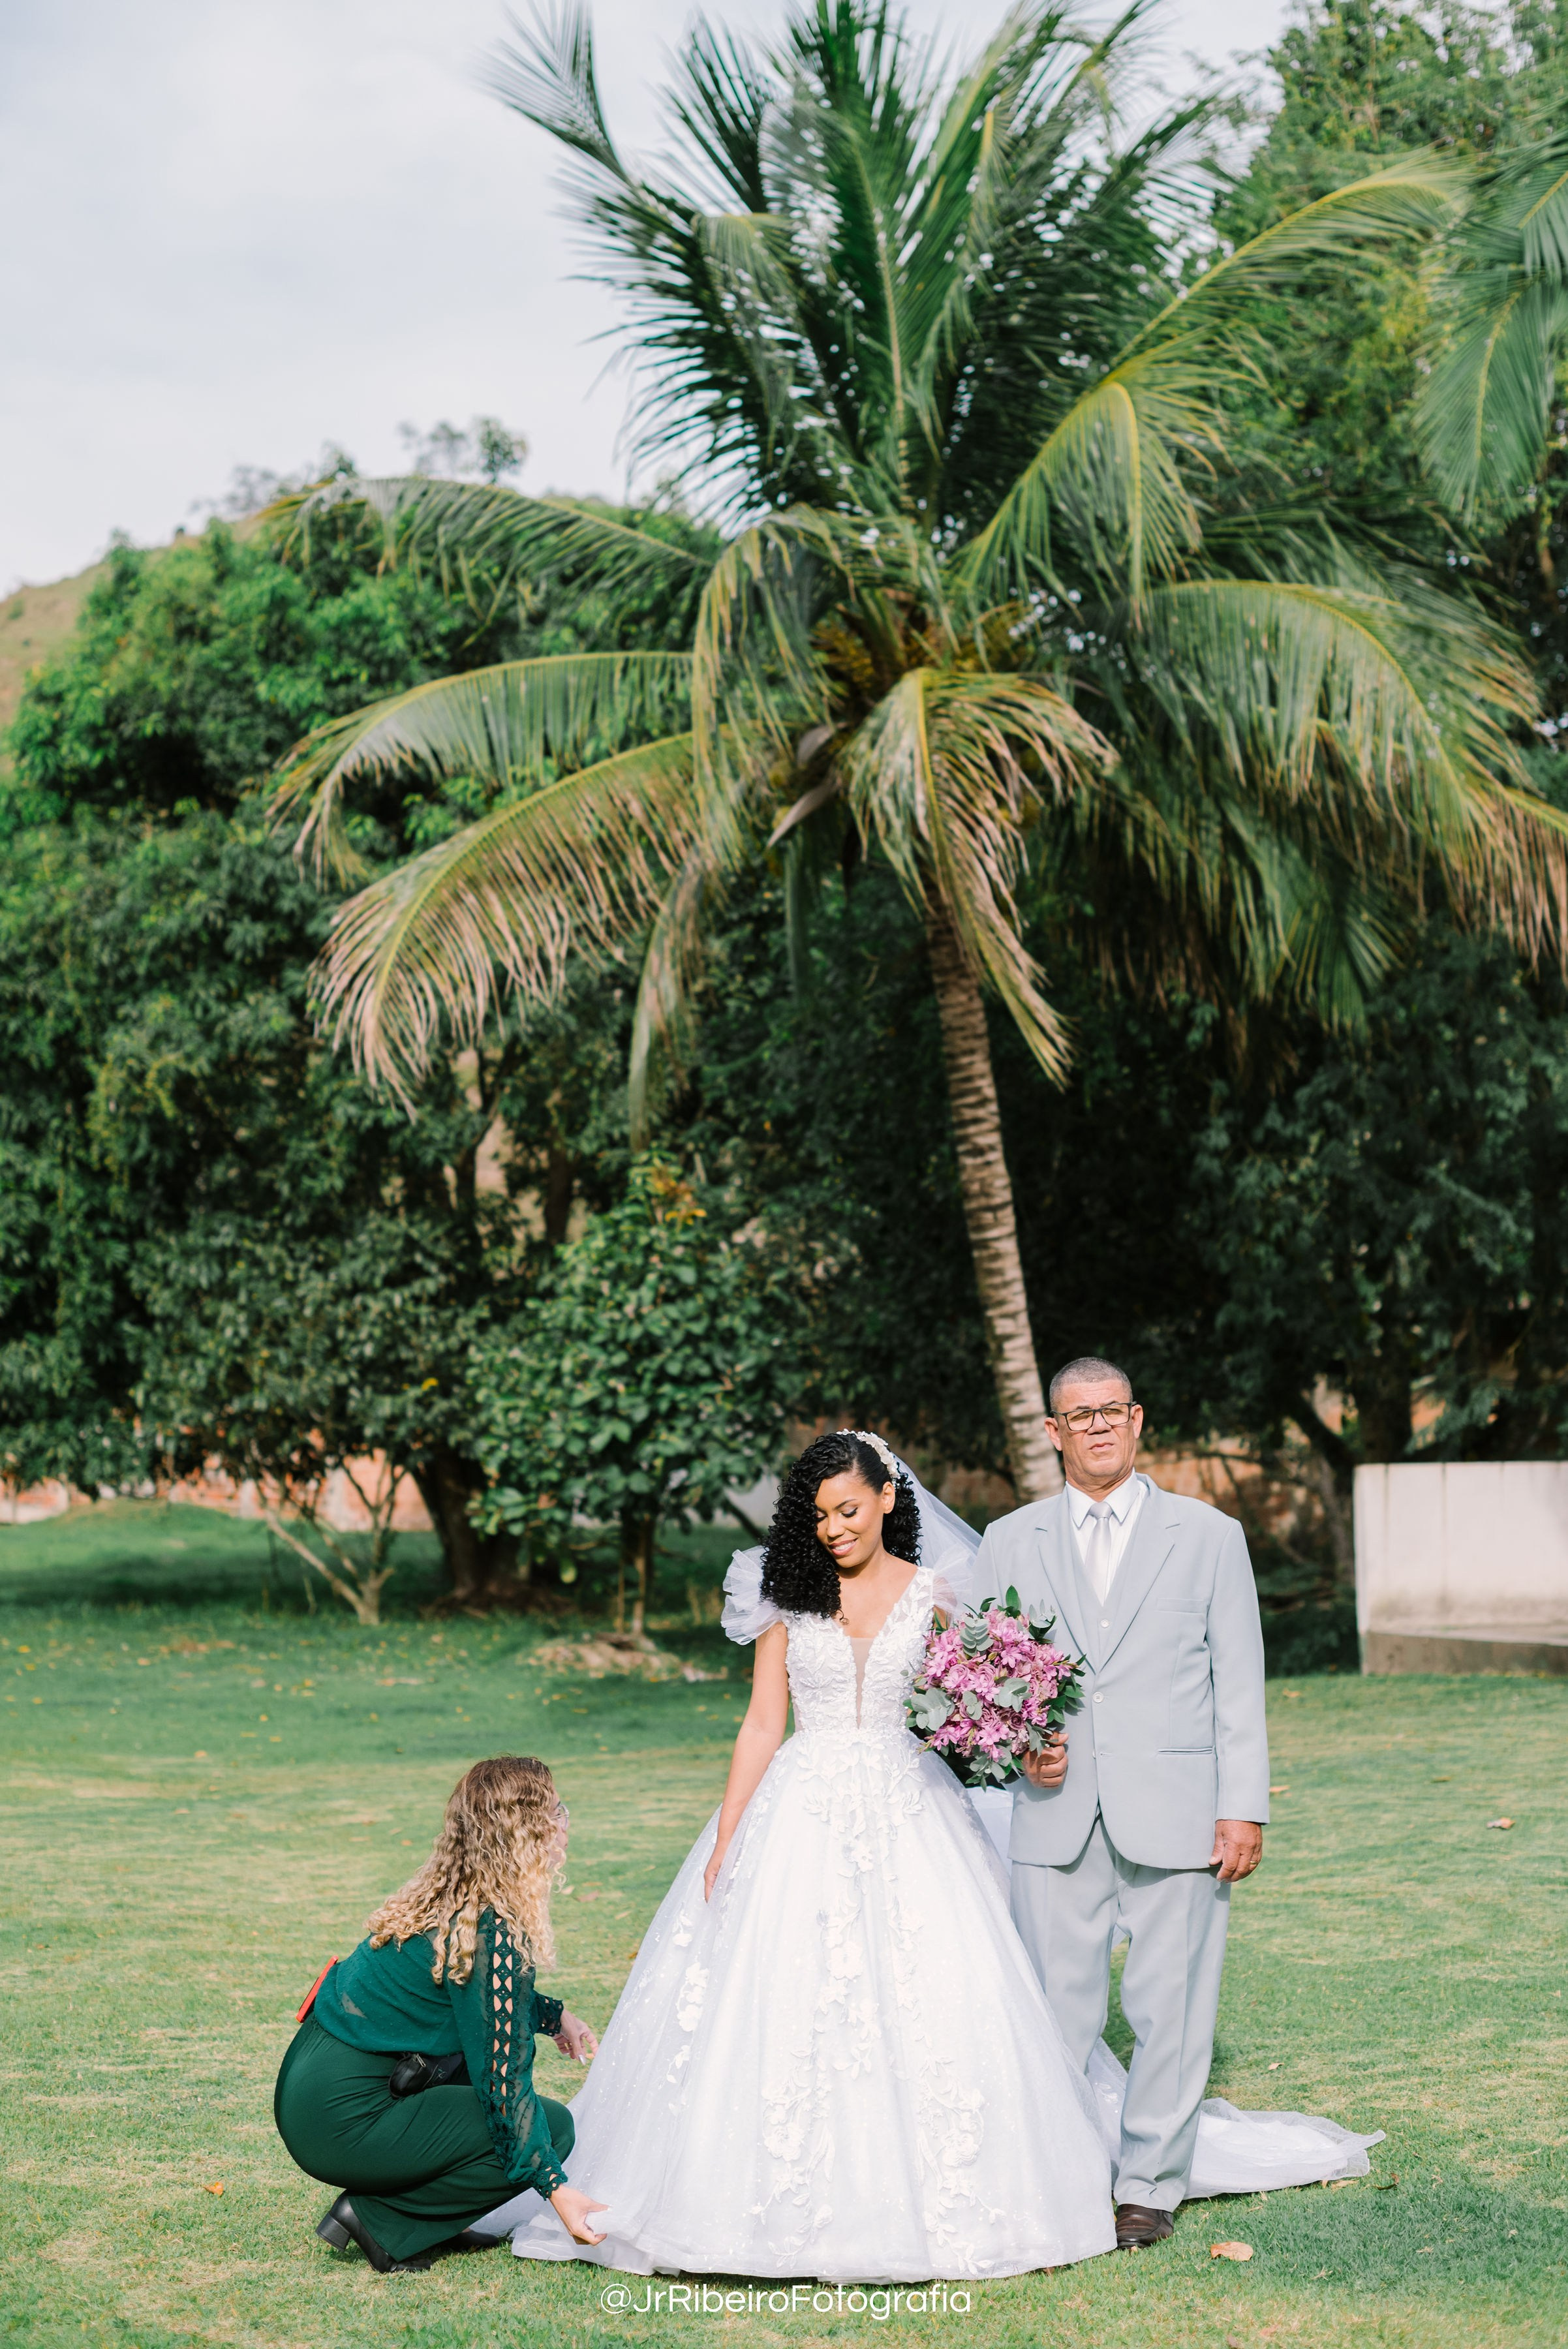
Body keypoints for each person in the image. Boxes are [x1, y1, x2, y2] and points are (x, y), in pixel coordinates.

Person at [493, 1428, 1120, 2280]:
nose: (832, 1529)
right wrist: (726, 1837)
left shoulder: (939, 1593)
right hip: (800, 1806)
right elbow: (761, 1722)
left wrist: (1021, 1741)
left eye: (848, 1510)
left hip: (911, 1808)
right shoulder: (783, 1595)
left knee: (929, 1995)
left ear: (889, 1499)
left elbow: (968, 1710)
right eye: (819, 1515)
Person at [970, 1355, 1271, 2247]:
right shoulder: (1007, 1540)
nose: (1096, 1426)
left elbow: (1238, 1683)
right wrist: (1024, 1748)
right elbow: (987, 1684)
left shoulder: (1209, 1537)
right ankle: (1059, 2176)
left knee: (1168, 2011)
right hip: (1054, 1815)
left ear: (1136, 1421)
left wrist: (1242, 1806)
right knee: (1051, 2015)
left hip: (1179, 1811)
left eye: (1111, 1411)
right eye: (1078, 1415)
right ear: (1053, 1433)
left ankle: (1147, 2187)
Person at [273, 1755, 607, 2272]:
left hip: (315, 2096)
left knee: (490, 2094)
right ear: (527, 1833)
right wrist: (556, 2189)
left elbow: (474, 2003)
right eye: (556, 1810)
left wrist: (552, 2016)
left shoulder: (456, 1897)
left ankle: (430, 2217)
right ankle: (377, 2221)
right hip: (344, 2119)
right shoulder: (488, 1926)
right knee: (552, 2126)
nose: (565, 1821)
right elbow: (505, 2083)